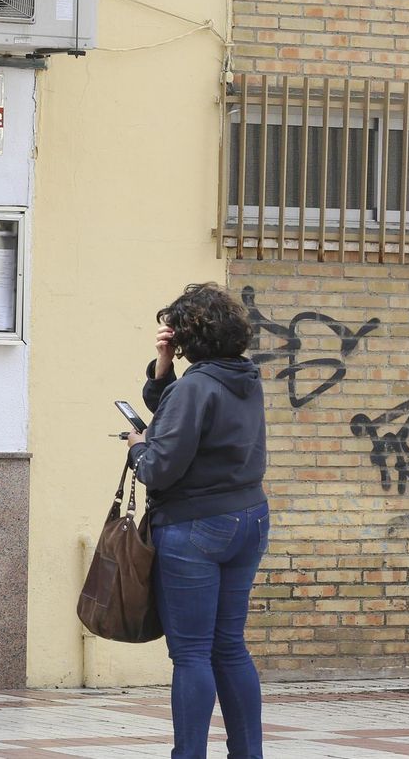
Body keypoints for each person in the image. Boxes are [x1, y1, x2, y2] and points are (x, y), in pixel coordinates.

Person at [126, 283, 269, 759]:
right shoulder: (243, 377)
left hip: (194, 526)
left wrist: (136, 448)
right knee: (229, 647)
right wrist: (163, 371)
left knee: (191, 654)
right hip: (247, 516)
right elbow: (183, 420)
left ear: (188, 337)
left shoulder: (197, 386)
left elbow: (159, 465)